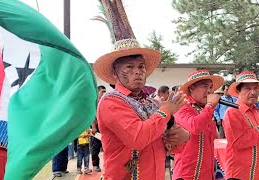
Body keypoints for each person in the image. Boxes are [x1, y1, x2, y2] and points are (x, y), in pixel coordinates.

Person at [93, 38, 190, 179]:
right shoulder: (111, 101)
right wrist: (166, 111)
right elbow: (138, 138)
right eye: (129, 67)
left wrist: (182, 136)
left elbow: (172, 146)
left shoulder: (151, 102)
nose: (137, 72)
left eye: (141, 66)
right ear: (115, 73)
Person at [223, 71, 259, 180]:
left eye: (256, 88)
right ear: (238, 91)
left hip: (258, 173)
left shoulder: (256, 111)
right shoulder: (232, 112)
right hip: (240, 174)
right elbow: (237, 143)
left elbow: (256, 138)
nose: (253, 92)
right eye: (247, 89)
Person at [173, 69, 224, 180]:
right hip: (187, 174)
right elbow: (195, 127)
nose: (209, 91)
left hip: (206, 173)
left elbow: (214, 137)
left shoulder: (204, 109)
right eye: (204, 86)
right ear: (191, 88)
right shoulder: (183, 106)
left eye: (211, 87)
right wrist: (210, 105)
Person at [90, 85, 106, 172]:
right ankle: (96, 165)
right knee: (95, 147)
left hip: (104, 128)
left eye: (105, 91)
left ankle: (106, 164)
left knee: (106, 147)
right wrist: (93, 126)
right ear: (97, 92)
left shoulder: (105, 101)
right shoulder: (94, 102)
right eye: (102, 91)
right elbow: (92, 115)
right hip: (96, 128)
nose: (104, 93)